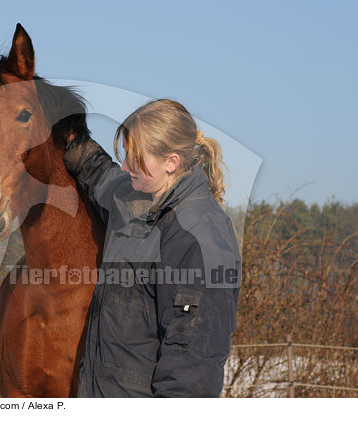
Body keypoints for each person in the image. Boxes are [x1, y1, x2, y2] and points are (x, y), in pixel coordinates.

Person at [62, 98, 241, 397]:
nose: (124, 167)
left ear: (171, 162)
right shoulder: (134, 196)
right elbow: (100, 173)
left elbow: (192, 368)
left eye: (136, 158)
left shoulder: (200, 236)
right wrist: (65, 133)